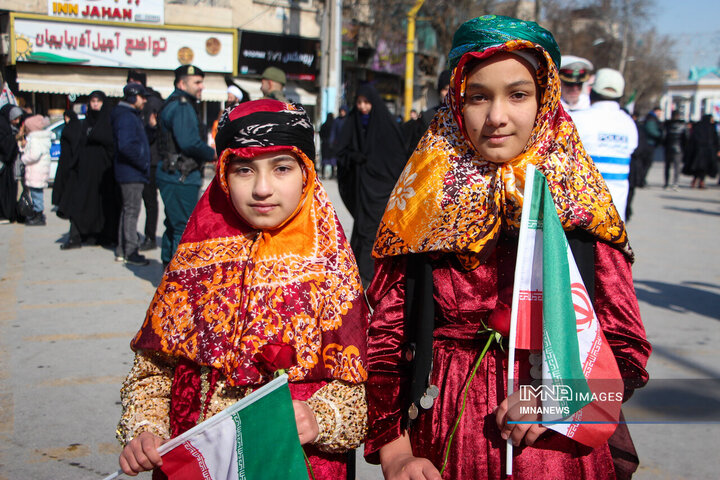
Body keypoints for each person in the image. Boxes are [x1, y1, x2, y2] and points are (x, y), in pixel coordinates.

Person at [364, 15, 650, 480]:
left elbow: (625, 346)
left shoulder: (579, 205)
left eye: (518, 94)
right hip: (443, 439)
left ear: (545, 98)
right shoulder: (420, 206)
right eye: (478, 96)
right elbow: (385, 343)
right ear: (457, 101)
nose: (496, 117)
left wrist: (557, 399)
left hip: (553, 449)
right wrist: (395, 451)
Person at [115, 99, 369, 479]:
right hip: (197, 462)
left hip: (299, 465)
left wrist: (321, 418)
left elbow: (363, 393)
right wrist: (145, 429)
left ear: (307, 173)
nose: (262, 189)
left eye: (282, 168)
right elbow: (152, 372)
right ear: (222, 174)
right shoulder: (193, 262)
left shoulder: (331, 269)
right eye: (244, 170)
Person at [336, 83, 407, 286]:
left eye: (366, 102)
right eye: (359, 102)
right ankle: (361, 275)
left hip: (382, 191)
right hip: (362, 189)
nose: (363, 107)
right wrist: (355, 158)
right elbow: (341, 152)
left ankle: (370, 277)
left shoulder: (386, 125)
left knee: (374, 232)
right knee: (363, 230)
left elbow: (397, 159)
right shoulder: (353, 122)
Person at [156, 65, 216, 265]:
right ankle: (175, 280)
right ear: (182, 83)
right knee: (183, 228)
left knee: (173, 224)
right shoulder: (182, 106)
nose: (201, 86)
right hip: (181, 174)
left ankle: (167, 270)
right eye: (197, 82)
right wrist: (212, 154)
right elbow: (189, 142)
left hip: (174, 173)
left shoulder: (177, 103)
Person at [573, 68, 638, 222]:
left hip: (581, 213)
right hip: (616, 215)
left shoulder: (576, 120)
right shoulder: (629, 124)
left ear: (592, 92)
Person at [57, 90, 120, 249]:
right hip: (86, 170)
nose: (95, 104)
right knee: (80, 201)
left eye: (98, 101)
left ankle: (105, 235)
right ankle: (77, 236)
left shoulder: (108, 121)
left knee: (105, 204)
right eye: (92, 101)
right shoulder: (85, 123)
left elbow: (111, 142)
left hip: (104, 170)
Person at [111, 83, 152, 266]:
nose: (144, 101)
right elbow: (126, 146)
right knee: (132, 212)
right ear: (134, 97)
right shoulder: (126, 116)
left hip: (130, 171)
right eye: (142, 97)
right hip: (131, 172)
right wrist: (142, 162)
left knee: (127, 210)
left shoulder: (128, 115)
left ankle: (122, 249)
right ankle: (130, 250)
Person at [127, 69, 164, 252]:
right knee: (148, 201)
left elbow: (153, 130)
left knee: (150, 201)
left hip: (153, 159)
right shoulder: (148, 101)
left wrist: (150, 128)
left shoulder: (151, 102)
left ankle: (150, 237)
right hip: (149, 159)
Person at [19, 114, 52, 226]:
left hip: (36, 171)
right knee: (37, 194)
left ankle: (38, 215)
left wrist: (23, 158)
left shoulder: (35, 139)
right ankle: (38, 214)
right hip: (39, 170)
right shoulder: (41, 138)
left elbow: (34, 155)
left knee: (36, 195)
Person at [51, 110, 82, 210]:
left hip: (69, 160)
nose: (66, 120)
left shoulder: (72, 128)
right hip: (65, 159)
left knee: (67, 181)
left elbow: (74, 143)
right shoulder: (73, 127)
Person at [682, 114, 719, 188]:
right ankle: (700, 182)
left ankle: (696, 181)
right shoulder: (710, 127)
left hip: (699, 151)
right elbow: (716, 140)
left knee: (699, 167)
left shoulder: (698, 126)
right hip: (706, 151)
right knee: (702, 168)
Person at [0, 105, 23, 223]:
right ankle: (4, 213)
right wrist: (14, 138)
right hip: (3, 165)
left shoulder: (11, 127)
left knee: (11, 190)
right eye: (15, 118)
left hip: (11, 166)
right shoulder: (2, 127)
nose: (17, 121)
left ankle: (10, 213)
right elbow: (3, 144)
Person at [662, 110, 686, 190]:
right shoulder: (682, 125)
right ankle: (675, 183)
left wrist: (664, 144)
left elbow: (663, 136)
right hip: (678, 147)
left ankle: (666, 183)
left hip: (668, 146)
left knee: (667, 166)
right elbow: (686, 137)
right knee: (677, 166)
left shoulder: (667, 124)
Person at [640, 107, 663, 186]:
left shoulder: (651, 118)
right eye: (659, 112)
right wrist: (661, 135)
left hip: (648, 143)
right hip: (648, 144)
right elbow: (652, 131)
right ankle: (641, 180)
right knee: (646, 163)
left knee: (645, 163)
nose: (660, 114)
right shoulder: (651, 119)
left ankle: (641, 179)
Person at [319, 112, 335, 179]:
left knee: (324, 160)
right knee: (332, 160)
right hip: (332, 145)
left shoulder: (324, 125)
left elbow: (321, 134)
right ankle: (332, 175)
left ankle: (323, 174)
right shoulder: (333, 125)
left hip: (325, 144)